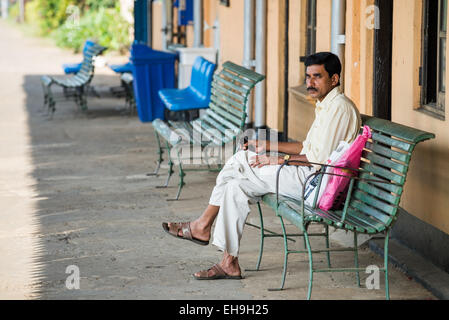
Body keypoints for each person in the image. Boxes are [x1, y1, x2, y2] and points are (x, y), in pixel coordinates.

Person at [162, 52, 361, 280]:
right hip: (306, 175)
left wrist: (280, 159)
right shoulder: (326, 106)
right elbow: (308, 148)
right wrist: (266, 144)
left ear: (334, 79)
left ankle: (203, 225)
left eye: (317, 77)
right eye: (307, 77)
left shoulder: (340, 109)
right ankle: (229, 262)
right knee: (235, 187)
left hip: (314, 184)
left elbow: (321, 160)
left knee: (240, 159)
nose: (310, 83)